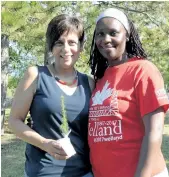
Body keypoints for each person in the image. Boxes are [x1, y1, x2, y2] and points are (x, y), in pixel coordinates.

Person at [8, 14, 94, 177]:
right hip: (43, 172)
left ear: (81, 46)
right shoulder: (35, 75)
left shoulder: (89, 83)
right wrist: (45, 144)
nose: (66, 49)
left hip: (83, 173)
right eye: (59, 42)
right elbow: (14, 121)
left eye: (72, 42)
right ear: (51, 46)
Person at [88, 8, 169, 177]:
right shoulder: (100, 78)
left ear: (127, 35)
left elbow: (154, 132)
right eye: (100, 34)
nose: (105, 39)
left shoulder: (143, 70)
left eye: (113, 33)